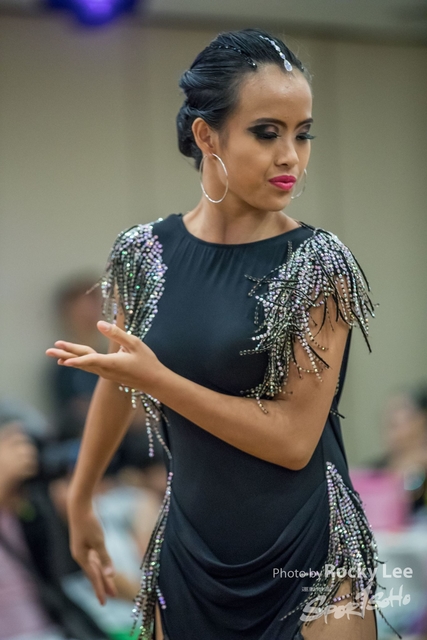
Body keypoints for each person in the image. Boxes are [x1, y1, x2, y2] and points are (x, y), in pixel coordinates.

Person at [46, 28, 402, 640]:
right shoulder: (143, 251)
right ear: (207, 136)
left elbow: (293, 440)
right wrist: (81, 501)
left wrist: (158, 380)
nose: (291, 156)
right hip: (190, 553)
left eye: (302, 133)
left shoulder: (318, 263)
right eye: (266, 132)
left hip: (309, 558)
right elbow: (120, 379)